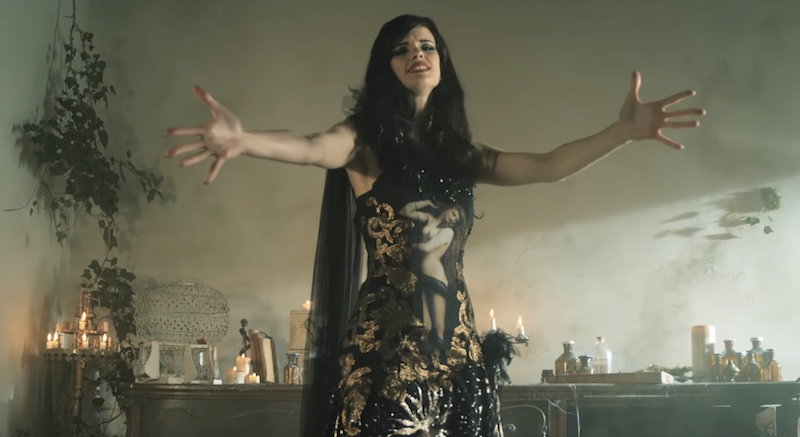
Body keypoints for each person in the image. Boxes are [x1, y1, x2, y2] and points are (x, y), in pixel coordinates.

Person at [164, 14, 704, 437]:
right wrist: (244, 140)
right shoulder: (363, 143)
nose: (416, 54)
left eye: (426, 45)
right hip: (384, 352)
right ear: (386, 67)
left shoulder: (460, 155)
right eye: (401, 49)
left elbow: (548, 166)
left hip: (458, 352)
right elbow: (310, 148)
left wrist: (620, 132)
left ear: (442, 62)